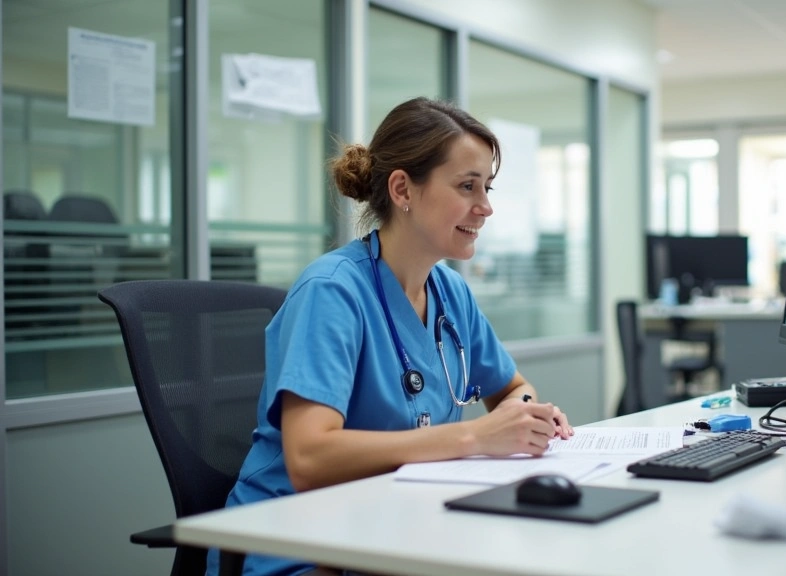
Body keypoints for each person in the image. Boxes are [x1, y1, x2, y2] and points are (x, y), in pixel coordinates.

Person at [207, 97, 574, 576]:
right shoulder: (333, 291)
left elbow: (510, 388)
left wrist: (528, 416)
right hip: (302, 549)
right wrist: (474, 436)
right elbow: (309, 457)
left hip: (404, 529)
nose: (485, 207)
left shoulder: (450, 293)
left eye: (487, 187)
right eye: (467, 186)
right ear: (403, 188)